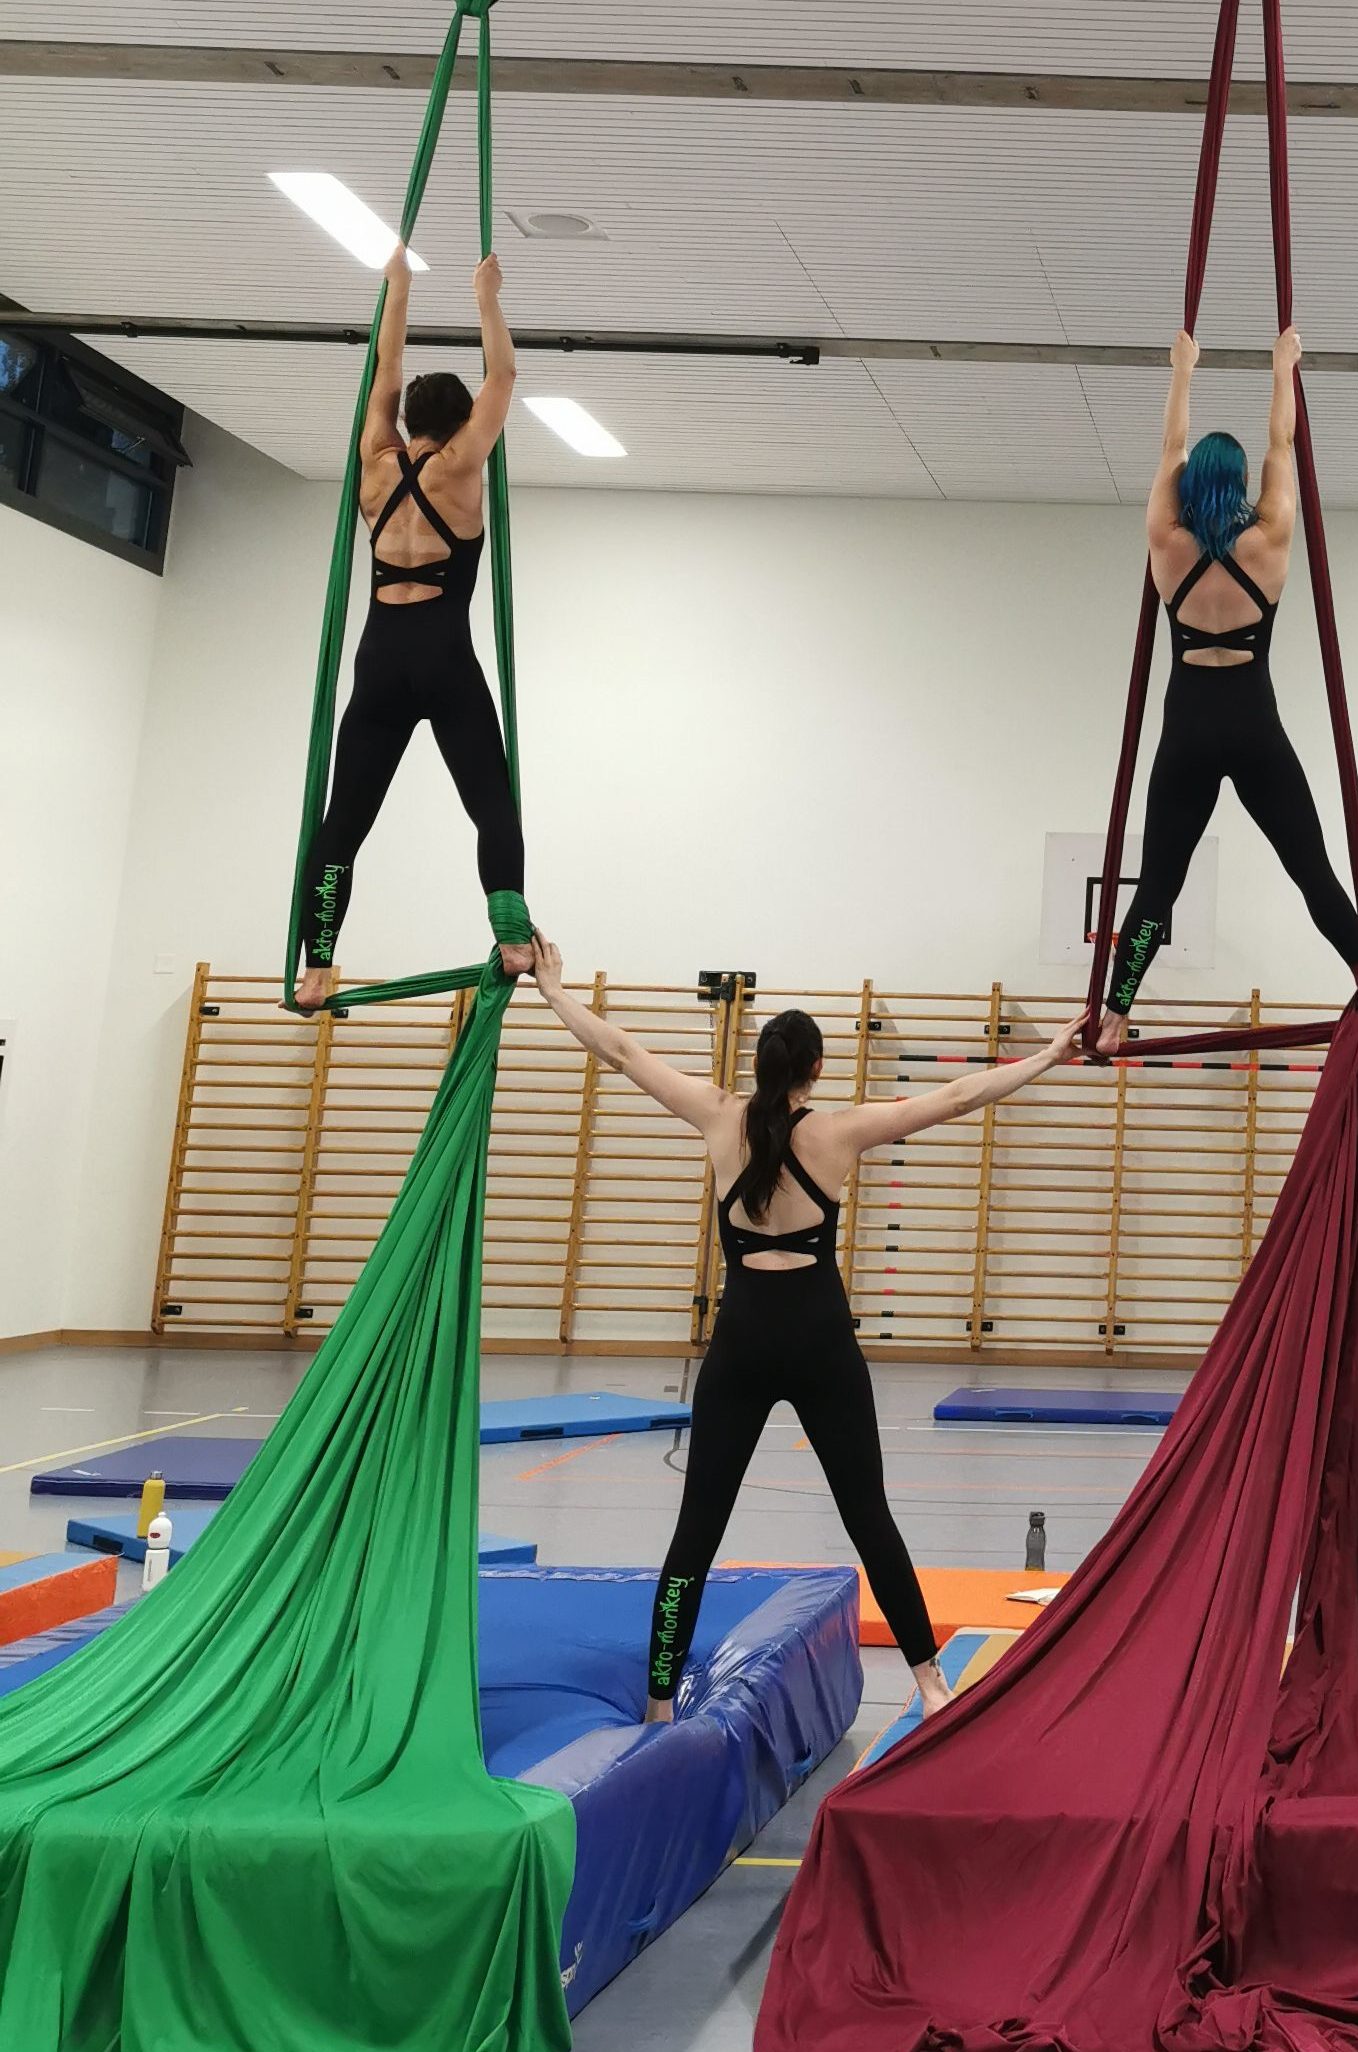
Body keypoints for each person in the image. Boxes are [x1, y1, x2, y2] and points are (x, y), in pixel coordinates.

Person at [530, 936, 1085, 1722]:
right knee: (868, 1517)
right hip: (820, 1342)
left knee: (697, 1529)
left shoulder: (717, 1116)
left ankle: (657, 1702)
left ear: (759, 1065)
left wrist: (555, 992)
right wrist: (1050, 1055)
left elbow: (621, 1052)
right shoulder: (838, 1133)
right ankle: (931, 1685)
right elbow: (959, 1098)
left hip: (742, 1344)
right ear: (815, 1070)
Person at [1092, 326, 1358, 1054]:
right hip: (1254, 727)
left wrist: (1182, 371)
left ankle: (1115, 1014)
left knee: (1158, 887)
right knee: (1310, 869)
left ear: (1187, 486)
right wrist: (1281, 370)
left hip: (1187, 733)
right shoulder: (1271, 540)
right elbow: (1282, 446)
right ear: (1239, 486)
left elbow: (1169, 448)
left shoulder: (1166, 542)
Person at [294, 244, 528, 1010]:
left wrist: (397, 285)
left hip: (380, 662)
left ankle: (317, 967)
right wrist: (486, 298)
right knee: (491, 805)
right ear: (459, 425)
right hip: (444, 660)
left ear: (408, 423)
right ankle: (512, 939)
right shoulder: (461, 468)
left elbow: (385, 371)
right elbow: (503, 378)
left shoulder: (374, 462)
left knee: (344, 822)